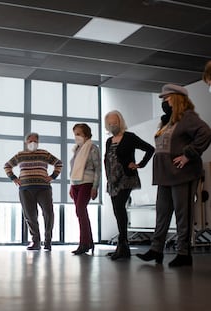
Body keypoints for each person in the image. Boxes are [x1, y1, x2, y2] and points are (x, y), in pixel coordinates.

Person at [137, 84, 211, 267]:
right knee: (162, 214)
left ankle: (184, 254)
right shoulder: (168, 121)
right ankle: (156, 249)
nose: (164, 102)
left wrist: (188, 154)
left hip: (182, 174)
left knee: (182, 214)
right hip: (165, 175)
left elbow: (206, 133)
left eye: (166, 98)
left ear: (177, 98)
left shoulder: (187, 117)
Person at [104, 110, 154, 260]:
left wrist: (140, 164)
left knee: (120, 208)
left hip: (126, 178)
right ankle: (122, 247)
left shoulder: (129, 137)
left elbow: (150, 149)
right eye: (110, 123)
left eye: (115, 122)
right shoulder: (109, 141)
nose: (113, 125)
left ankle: (123, 244)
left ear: (120, 122)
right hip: (112, 180)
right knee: (117, 211)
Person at [4, 132, 62, 251]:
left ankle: (48, 240)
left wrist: (52, 177)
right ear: (26, 142)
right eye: (30, 141)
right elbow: (7, 166)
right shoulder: (20, 155)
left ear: (38, 142)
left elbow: (58, 163)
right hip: (25, 189)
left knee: (48, 213)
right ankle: (35, 241)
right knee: (30, 216)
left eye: (35, 141)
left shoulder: (44, 153)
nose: (33, 143)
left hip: (43, 188)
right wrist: (14, 178)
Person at [69, 124, 101, 255]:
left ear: (86, 135)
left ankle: (84, 243)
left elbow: (98, 169)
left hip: (87, 183)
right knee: (80, 213)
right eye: (75, 134)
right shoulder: (76, 149)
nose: (76, 137)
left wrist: (95, 186)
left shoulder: (92, 148)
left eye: (79, 134)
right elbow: (73, 169)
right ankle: (89, 241)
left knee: (81, 210)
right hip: (75, 184)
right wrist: (71, 185)